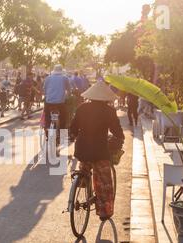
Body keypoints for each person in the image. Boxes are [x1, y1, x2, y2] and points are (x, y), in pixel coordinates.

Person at [70, 81, 125, 222]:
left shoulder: (82, 108)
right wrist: (117, 141)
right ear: (106, 98)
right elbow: (118, 133)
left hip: (82, 149)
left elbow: (73, 128)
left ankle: (82, 180)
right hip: (100, 150)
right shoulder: (109, 111)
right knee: (105, 182)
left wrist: (77, 137)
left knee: (85, 168)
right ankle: (104, 212)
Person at [43, 65, 72, 138]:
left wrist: (47, 96)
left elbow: (44, 89)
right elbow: (69, 90)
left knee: (47, 116)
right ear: (61, 71)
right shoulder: (65, 78)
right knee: (63, 117)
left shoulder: (48, 78)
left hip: (49, 102)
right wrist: (68, 96)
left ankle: (47, 129)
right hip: (60, 102)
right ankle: (62, 135)